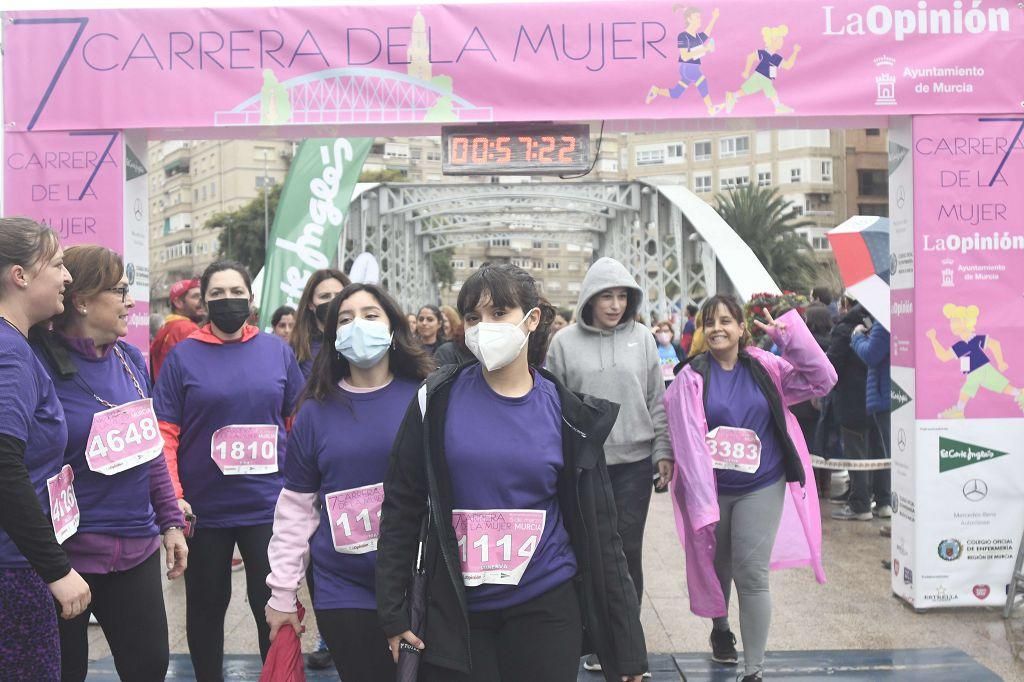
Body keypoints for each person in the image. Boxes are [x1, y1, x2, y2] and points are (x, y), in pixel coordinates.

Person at [376, 263, 648, 682]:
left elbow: (602, 533)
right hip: (459, 612)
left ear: (532, 318)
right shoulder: (435, 401)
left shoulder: (566, 413)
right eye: (473, 317)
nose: (485, 327)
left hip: (546, 603)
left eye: (499, 313)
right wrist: (394, 614)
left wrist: (627, 650)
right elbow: (401, 505)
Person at [32, 245, 187, 682]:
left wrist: (171, 523)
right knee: (65, 673)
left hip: (136, 551)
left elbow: (150, 449)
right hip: (65, 559)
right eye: (119, 291)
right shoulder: (37, 363)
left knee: (150, 667)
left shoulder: (131, 360)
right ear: (81, 300)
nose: (131, 302)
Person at [265, 283, 433, 681]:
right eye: (345, 318)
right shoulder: (313, 413)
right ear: (334, 336)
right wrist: (283, 592)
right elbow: (295, 510)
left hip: (419, 583)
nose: (358, 325)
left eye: (370, 315)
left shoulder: (428, 398)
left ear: (392, 327)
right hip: (344, 587)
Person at [665, 295, 834, 681]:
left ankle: (753, 669)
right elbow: (685, 439)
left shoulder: (766, 366)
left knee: (751, 574)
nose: (718, 328)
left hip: (762, 484)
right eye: (710, 322)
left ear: (742, 328)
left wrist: (790, 337)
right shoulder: (691, 377)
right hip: (711, 491)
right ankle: (721, 630)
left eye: (726, 320)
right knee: (718, 567)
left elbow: (822, 379)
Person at [153, 260, 304, 681]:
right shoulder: (184, 356)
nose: (226, 300)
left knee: (270, 606)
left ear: (250, 299)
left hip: (267, 508)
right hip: (205, 510)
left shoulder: (277, 351)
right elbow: (165, 432)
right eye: (215, 294)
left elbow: (297, 423)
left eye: (234, 291)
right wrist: (175, 496)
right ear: (203, 303)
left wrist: (301, 491)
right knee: (204, 606)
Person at [539, 257, 671, 673]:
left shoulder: (644, 339)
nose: (614, 305)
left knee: (626, 551)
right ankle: (597, 640)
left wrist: (662, 450)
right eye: (606, 296)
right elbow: (550, 403)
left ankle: (628, 647)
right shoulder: (563, 344)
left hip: (633, 463)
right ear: (589, 299)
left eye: (621, 297)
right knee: (588, 552)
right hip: (585, 465)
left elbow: (656, 399)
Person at [0, 218, 91, 680]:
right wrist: (56, 570)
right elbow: (3, 467)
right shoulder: (9, 352)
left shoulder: (19, 345)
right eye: (56, 264)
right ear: (20, 275)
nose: (67, 276)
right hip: (15, 570)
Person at [826, 304, 872, 514]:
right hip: (874, 398)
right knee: (872, 451)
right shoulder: (880, 326)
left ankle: (859, 502)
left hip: (851, 397)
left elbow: (832, 363)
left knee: (854, 449)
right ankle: (865, 495)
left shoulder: (845, 330)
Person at [847, 317, 892, 519]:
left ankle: (886, 501)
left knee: (885, 451)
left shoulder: (884, 322)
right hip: (887, 395)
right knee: (883, 451)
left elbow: (871, 354)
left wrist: (856, 337)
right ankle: (884, 501)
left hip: (884, 396)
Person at [645, 6, 722, 116]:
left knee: (676, 93)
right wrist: (705, 49)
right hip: (688, 67)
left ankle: (656, 90)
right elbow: (685, 56)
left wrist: (714, 18)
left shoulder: (696, 36)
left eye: (700, 17)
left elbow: (706, 34)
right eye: (697, 17)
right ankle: (710, 109)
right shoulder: (683, 36)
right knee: (702, 82)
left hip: (690, 67)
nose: (700, 19)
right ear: (689, 19)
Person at [723, 25, 801, 114]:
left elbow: (788, 65)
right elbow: (750, 57)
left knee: (748, 90)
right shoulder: (765, 53)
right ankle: (778, 106)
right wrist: (746, 71)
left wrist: (795, 52)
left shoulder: (776, 57)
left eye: (781, 40)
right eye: (779, 40)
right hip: (761, 76)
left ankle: (732, 96)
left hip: (765, 77)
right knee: (770, 90)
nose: (781, 43)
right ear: (772, 41)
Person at [290, 268, 351, 380]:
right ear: (310, 304)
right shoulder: (297, 349)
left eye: (339, 295)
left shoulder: (360, 341)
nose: (333, 301)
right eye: (325, 296)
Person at [150, 277, 204, 382]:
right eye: (196, 296)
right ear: (178, 302)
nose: (201, 301)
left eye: (202, 296)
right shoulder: (187, 328)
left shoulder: (166, 326)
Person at [655, 320, 684, 385]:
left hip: (676, 384)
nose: (663, 334)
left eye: (666, 331)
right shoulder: (653, 349)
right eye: (660, 331)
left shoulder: (678, 348)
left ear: (671, 333)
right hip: (660, 385)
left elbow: (684, 365)